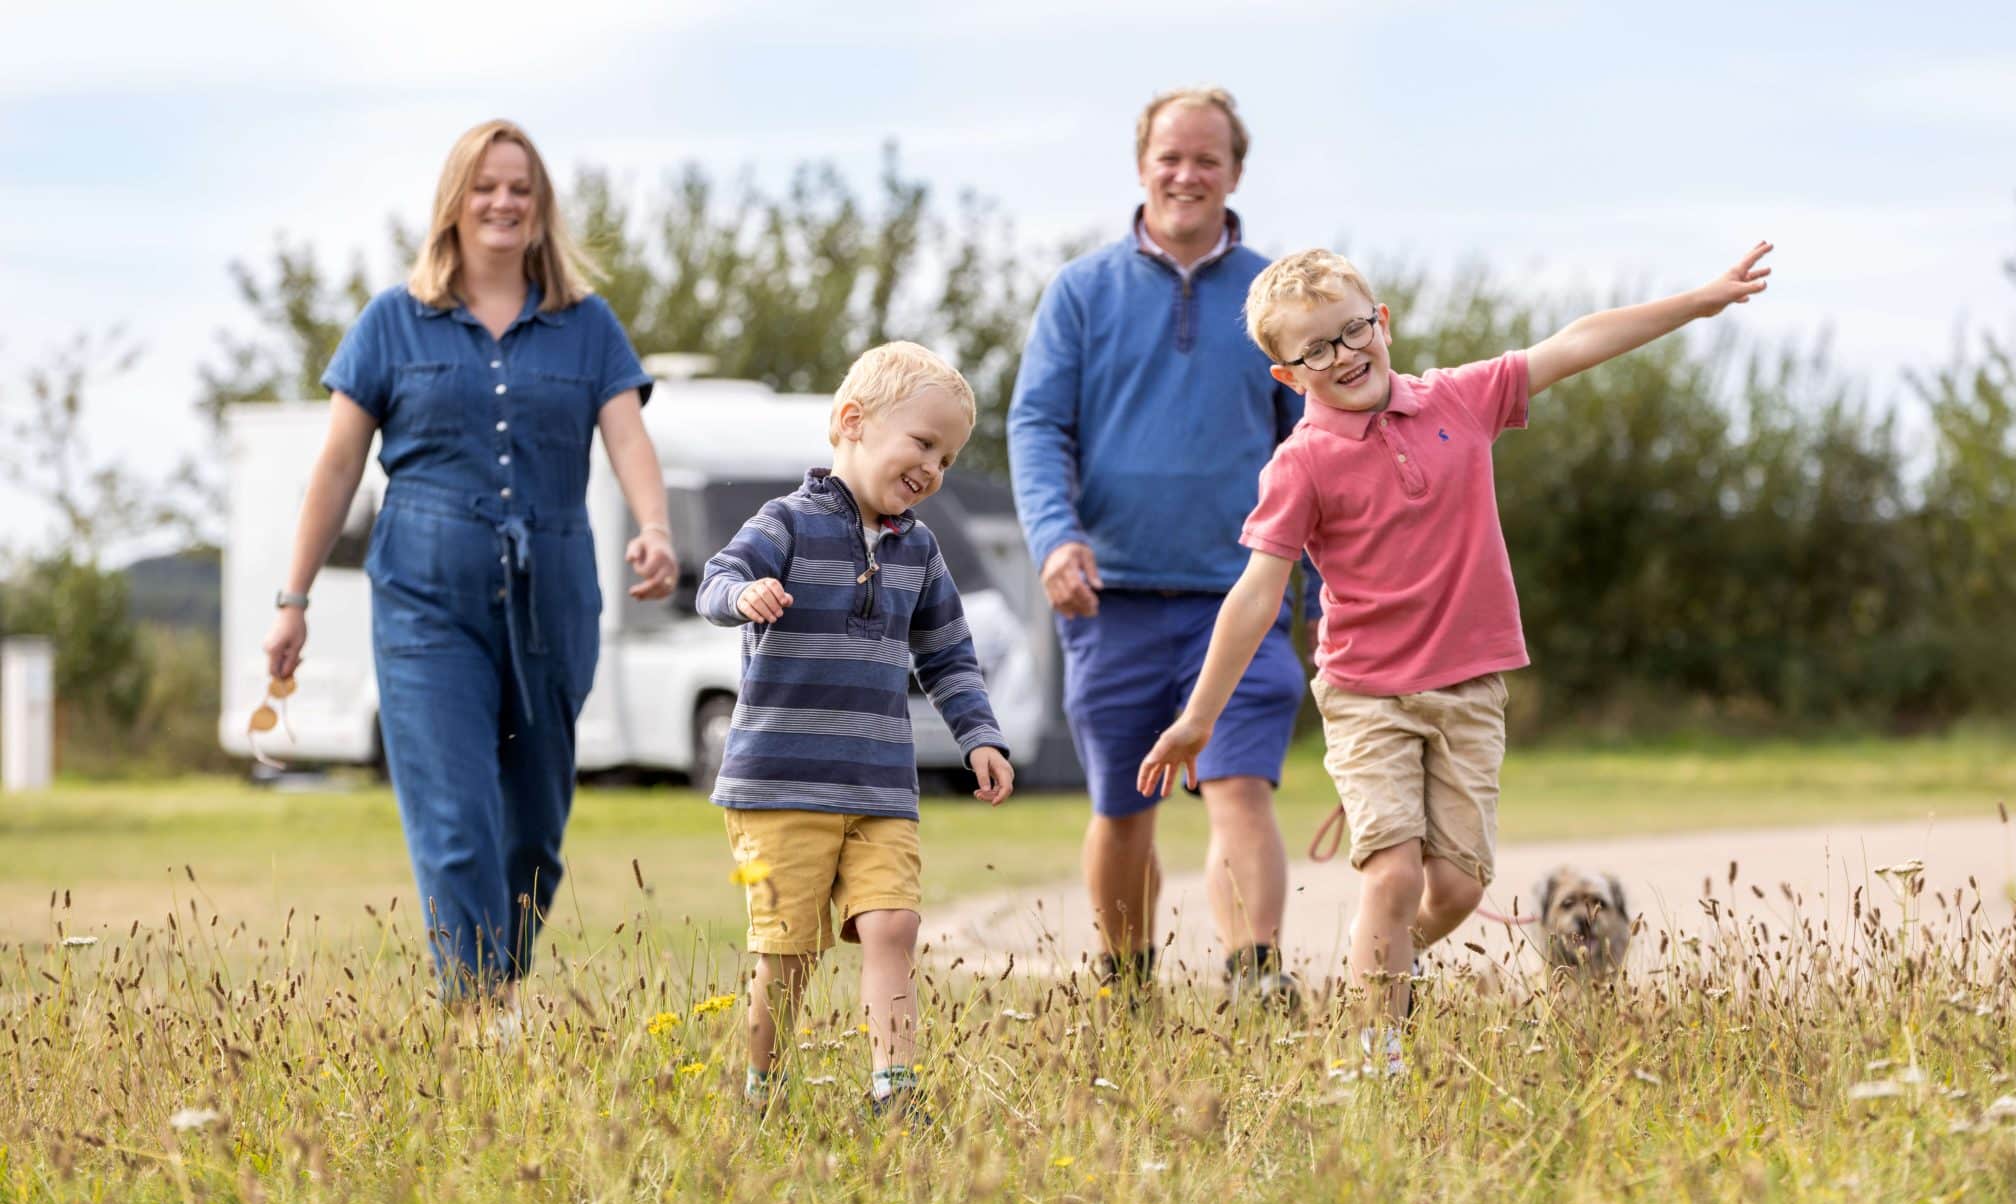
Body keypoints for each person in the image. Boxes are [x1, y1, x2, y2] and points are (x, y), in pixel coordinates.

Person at [1139, 242, 1774, 1075]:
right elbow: (1256, 595)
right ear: (1288, 376)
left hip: (1470, 691)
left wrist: (1696, 302)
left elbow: (1575, 342)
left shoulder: (1460, 400)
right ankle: (1373, 1057)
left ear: (1383, 322)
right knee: (1395, 874)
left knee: (1460, 890)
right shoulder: (1300, 463)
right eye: (1316, 350)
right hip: (1369, 697)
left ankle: (1378, 968)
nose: (1344, 355)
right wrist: (1198, 717)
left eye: (1353, 329)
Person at [262, 119, 678, 1008]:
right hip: (423, 600)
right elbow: (336, 466)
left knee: (533, 832)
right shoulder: (392, 322)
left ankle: (497, 979)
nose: (503, 202)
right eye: (486, 186)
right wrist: (292, 599)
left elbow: (630, 437)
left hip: (553, 593)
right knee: (454, 819)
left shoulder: (587, 325)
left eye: (520, 188)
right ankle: (478, 1010)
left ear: (541, 206)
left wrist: (656, 527)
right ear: (454, 202)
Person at [1008, 87, 1309, 1006]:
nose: (1186, 174)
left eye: (1206, 159)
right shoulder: (1082, 292)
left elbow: (1319, 445)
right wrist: (1056, 541)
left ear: (1235, 172)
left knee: (1238, 788)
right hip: (1114, 599)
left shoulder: (1275, 297)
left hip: (1243, 595)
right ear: (1142, 165)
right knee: (1123, 807)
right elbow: (1035, 424)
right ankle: (1126, 987)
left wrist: (1331, 593)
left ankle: (1254, 977)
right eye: (1170, 157)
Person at [698, 341, 1015, 1119]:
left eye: (947, 457)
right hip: (782, 782)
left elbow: (949, 655)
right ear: (853, 422)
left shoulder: (921, 551)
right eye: (923, 443)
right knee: (789, 951)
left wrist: (980, 735)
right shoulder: (788, 524)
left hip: (879, 784)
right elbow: (715, 580)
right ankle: (762, 1089)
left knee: (894, 923)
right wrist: (746, 595)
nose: (934, 468)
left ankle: (893, 1091)